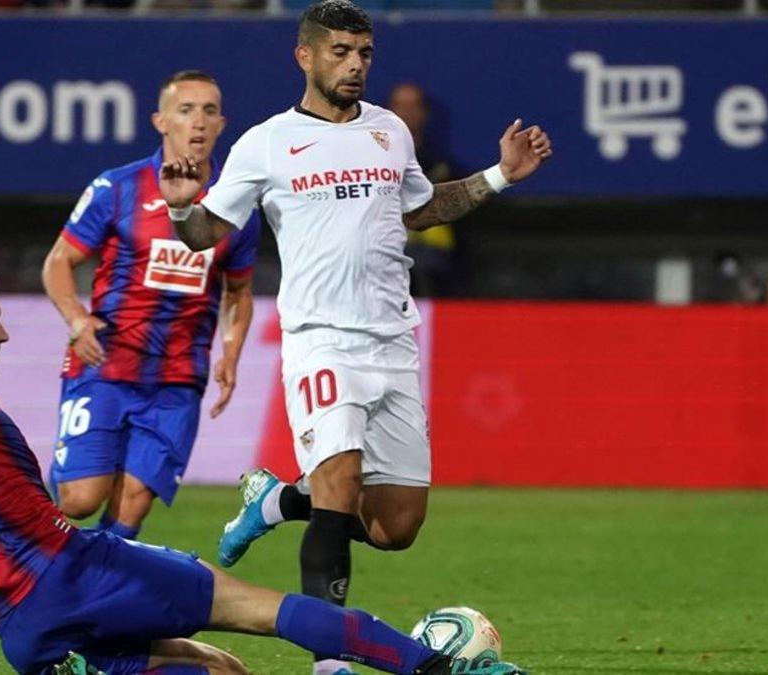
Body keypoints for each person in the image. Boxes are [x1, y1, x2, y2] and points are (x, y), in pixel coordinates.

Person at [0, 261, 527, 675]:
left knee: (224, 671)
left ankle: (82, 661)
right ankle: (436, 669)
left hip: (23, 630)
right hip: (74, 574)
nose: (2, 334)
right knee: (263, 611)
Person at [157, 3, 552, 673]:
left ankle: (276, 498)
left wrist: (498, 175)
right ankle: (328, 661)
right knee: (337, 490)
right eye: (340, 51)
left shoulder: (389, 131)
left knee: (396, 526)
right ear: (304, 57)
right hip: (320, 338)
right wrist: (180, 204)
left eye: (364, 53)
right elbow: (203, 235)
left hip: (392, 342)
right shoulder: (267, 142)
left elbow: (421, 208)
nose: (355, 65)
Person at [41, 70, 259, 537]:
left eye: (208, 111)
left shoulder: (236, 205)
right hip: (106, 364)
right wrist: (77, 320)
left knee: (132, 508)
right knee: (79, 500)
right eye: (186, 110)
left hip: (177, 379)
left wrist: (231, 353)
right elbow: (59, 262)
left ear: (222, 124)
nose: (198, 122)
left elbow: (239, 292)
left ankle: (90, 599)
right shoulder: (116, 188)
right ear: (161, 121)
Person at [387, 82, 458, 298]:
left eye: (413, 106)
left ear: (424, 113)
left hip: (428, 255)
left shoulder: (442, 166)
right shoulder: (369, 161)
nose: (407, 113)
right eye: (400, 106)